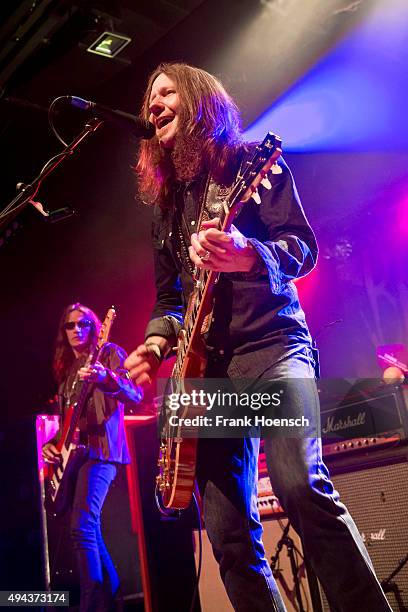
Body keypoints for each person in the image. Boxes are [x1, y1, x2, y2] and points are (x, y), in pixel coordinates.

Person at [124, 63, 391, 611]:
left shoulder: (251, 163)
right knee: (226, 536)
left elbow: (303, 247)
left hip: (273, 347)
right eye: (149, 99)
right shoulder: (167, 207)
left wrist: (249, 254)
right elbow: (171, 300)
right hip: (211, 374)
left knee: (297, 485)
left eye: (166, 93)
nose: (153, 105)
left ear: (198, 100)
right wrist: (154, 345)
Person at [42, 303, 142, 612]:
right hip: (76, 456)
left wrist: (105, 377)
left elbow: (135, 394)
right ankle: (110, 599)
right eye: (69, 326)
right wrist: (53, 445)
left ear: (95, 326)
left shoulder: (109, 353)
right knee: (88, 527)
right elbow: (67, 423)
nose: (76, 330)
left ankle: (92, 603)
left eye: (82, 324)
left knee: (81, 526)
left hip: (103, 451)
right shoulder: (68, 374)